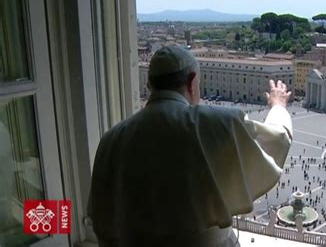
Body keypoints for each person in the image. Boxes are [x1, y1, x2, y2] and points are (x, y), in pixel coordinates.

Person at [87, 45, 293, 247]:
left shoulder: (110, 139)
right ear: (192, 81)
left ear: (149, 86)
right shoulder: (217, 123)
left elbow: (101, 221)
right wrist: (278, 106)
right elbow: (277, 139)